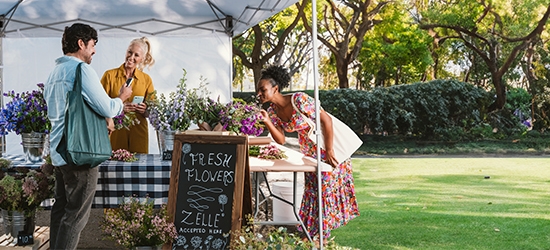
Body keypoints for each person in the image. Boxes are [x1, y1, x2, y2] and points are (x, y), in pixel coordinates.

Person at [44, 23, 132, 250]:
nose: (94, 51)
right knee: (75, 216)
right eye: (92, 45)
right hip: (80, 153)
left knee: (61, 211)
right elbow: (107, 107)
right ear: (81, 43)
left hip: (60, 152)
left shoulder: (54, 73)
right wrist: (121, 98)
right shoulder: (81, 70)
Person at [256, 65, 359, 241]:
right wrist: (267, 121)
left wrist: (330, 150)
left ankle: (322, 238)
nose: (258, 94)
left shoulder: (299, 100)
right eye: (258, 90)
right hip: (309, 153)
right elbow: (280, 139)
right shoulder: (272, 111)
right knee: (313, 191)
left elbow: (326, 120)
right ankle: (311, 235)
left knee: (325, 191)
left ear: (275, 89)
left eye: (262, 89)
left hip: (326, 149)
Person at [101, 37, 155, 153]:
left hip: (139, 133)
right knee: (114, 167)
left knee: (139, 167)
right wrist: (119, 107)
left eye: (136, 55)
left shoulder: (146, 80)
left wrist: (145, 109)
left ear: (142, 59)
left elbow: (152, 111)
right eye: (129, 52)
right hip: (116, 133)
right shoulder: (109, 76)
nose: (131, 58)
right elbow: (100, 105)